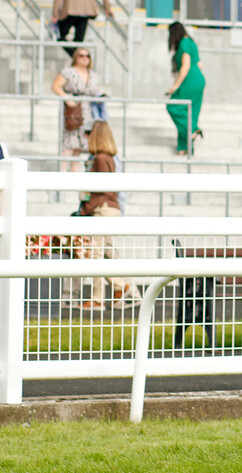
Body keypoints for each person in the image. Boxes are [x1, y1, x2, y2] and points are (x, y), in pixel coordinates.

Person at [75, 120, 141, 311]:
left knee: (97, 253)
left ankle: (98, 299)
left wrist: (86, 208)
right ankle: (124, 288)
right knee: (109, 252)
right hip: (109, 208)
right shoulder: (108, 158)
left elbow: (100, 189)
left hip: (102, 208)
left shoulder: (99, 159)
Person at [51, 47, 101, 172]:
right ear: (75, 57)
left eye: (87, 56)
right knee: (69, 143)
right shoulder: (68, 71)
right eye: (81, 55)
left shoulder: (93, 75)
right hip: (73, 110)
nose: (85, 58)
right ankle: (62, 173)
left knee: (78, 146)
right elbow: (55, 86)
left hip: (87, 111)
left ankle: (75, 176)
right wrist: (67, 98)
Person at [166, 22, 205, 156]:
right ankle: (184, 147)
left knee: (173, 106)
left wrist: (175, 85)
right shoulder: (191, 42)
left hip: (191, 79)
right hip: (198, 79)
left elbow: (186, 65)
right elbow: (200, 64)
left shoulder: (184, 43)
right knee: (191, 113)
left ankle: (193, 130)